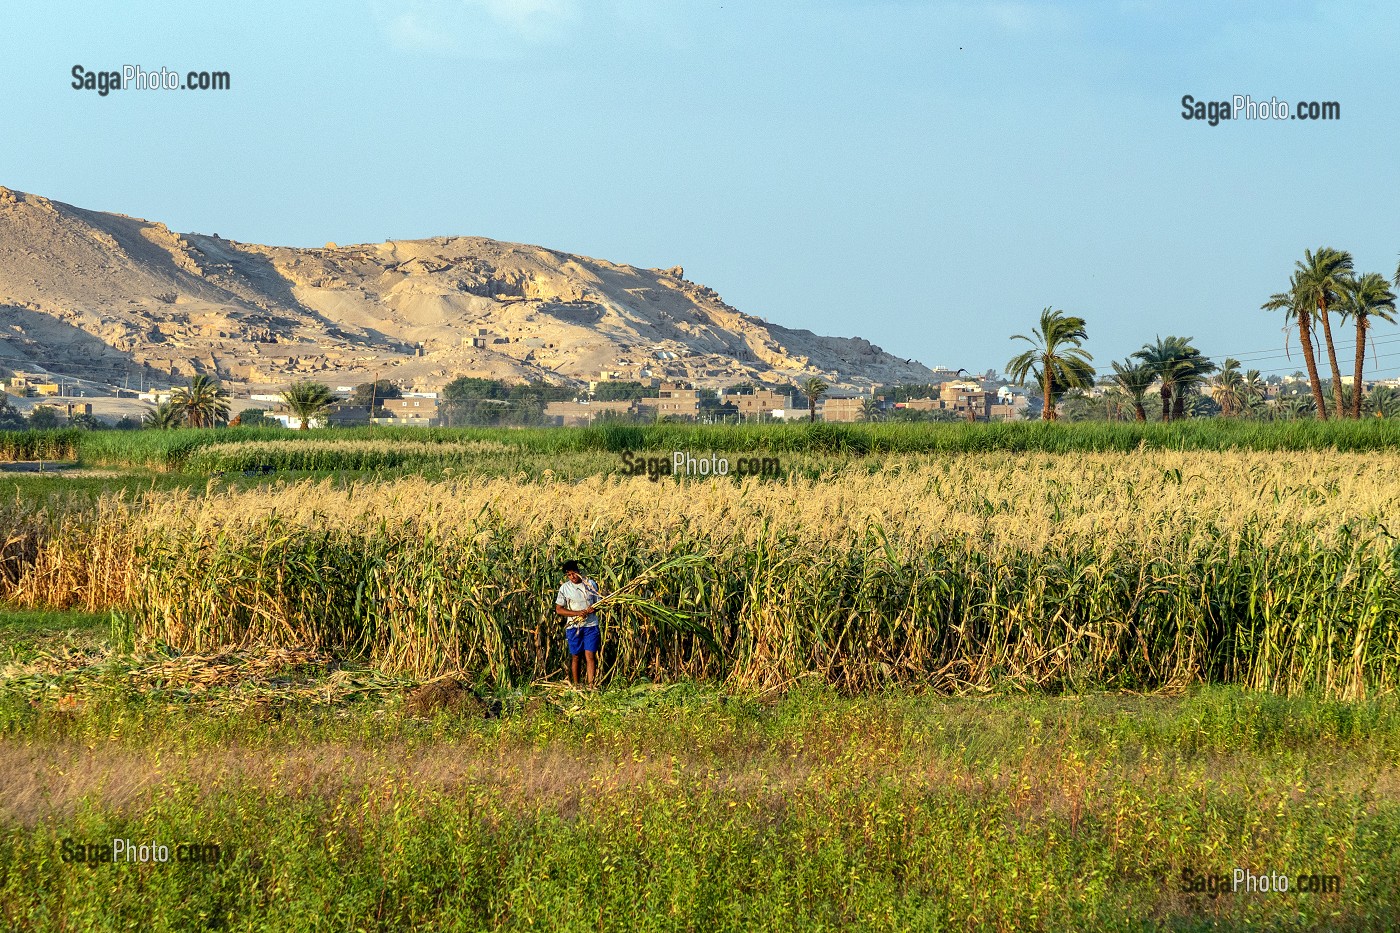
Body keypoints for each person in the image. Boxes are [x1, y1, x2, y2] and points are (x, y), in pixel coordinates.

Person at [555, 559, 602, 687]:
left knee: (590, 655)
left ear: (579, 571)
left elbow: (599, 603)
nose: (572, 577)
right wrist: (577, 613)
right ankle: (576, 685)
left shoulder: (590, 584)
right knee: (576, 656)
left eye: (574, 573)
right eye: (569, 575)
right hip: (574, 627)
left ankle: (591, 686)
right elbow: (559, 609)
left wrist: (594, 608)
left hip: (590, 625)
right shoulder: (565, 588)